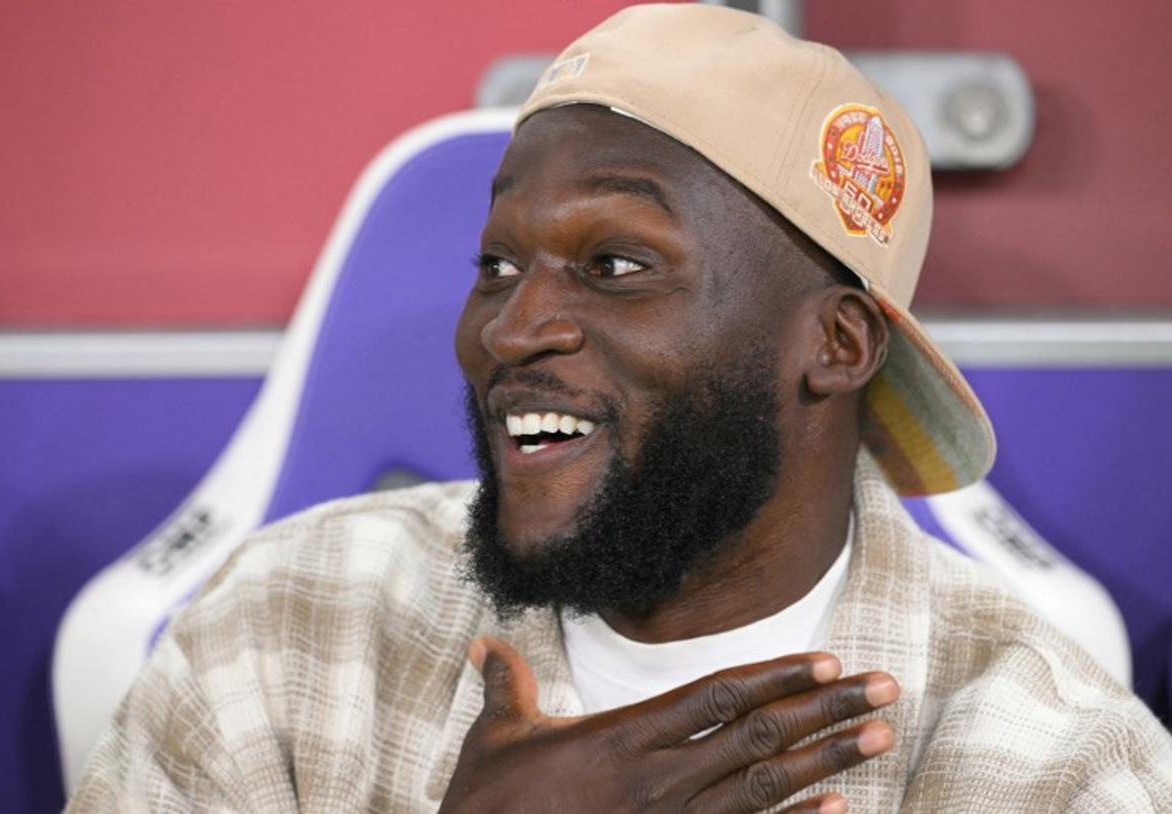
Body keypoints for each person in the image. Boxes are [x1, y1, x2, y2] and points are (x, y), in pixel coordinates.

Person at [68, 5, 1172, 812]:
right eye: (498, 265)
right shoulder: (282, 626)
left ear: (834, 345)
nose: (510, 331)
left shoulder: (1057, 762)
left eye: (615, 265)